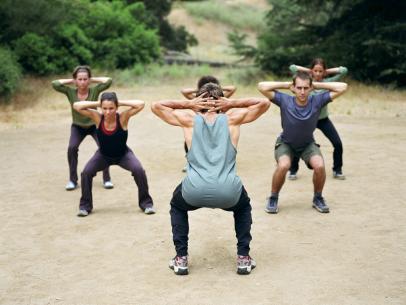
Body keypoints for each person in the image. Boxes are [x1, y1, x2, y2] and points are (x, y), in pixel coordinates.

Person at [152, 83, 270, 275]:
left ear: (198, 101)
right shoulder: (233, 118)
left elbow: (156, 106)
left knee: (177, 204)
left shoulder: (188, 119)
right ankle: (243, 258)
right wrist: (232, 103)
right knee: (243, 206)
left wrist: (188, 105)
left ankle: (181, 258)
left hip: (194, 190)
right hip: (228, 191)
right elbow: (264, 103)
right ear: (222, 101)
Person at [258, 71, 347, 214]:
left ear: (310, 88)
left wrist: (316, 85)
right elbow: (261, 86)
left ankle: (318, 198)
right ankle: (273, 197)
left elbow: (343, 87)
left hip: (307, 144)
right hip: (286, 143)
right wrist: (286, 85)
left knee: (319, 165)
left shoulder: (317, 100)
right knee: (284, 165)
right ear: (293, 88)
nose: (302, 91)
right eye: (299, 88)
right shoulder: (284, 100)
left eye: (306, 88)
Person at [73, 92, 155, 217]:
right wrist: (100, 103)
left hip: (123, 155)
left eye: (111, 108)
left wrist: (119, 102)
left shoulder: (122, 117)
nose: (107, 112)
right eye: (104, 108)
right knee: (86, 173)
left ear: (116, 108)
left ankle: (146, 204)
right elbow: (77, 106)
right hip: (103, 156)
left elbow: (140, 104)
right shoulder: (97, 117)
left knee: (139, 170)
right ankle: (85, 206)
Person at [52, 65, 114, 191]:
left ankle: (107, 179)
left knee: (105, 147)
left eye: (85, 79)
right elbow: (55, 84)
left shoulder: (94, 90)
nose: (82, 82)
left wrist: (92, 79)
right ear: (75, 80)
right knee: (72, 148)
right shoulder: (70, 92)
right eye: (79, 79)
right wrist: (72, 81)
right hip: (78, 127)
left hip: (95, 125)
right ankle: (72, 180)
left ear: (89, 80)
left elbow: (108, 81)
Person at [288, 59, 348, 180]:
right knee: (296, 143)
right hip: (307, 120)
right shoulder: (306, 83)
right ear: (312, 71)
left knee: (338, 143)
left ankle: (337, 170)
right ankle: (293, 170)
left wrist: (326, 72)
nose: (318, 73)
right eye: (315, 70)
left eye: (320, 71)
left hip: (323, 120)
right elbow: (293, 68)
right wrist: (309, 71)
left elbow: (343, 71)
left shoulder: (328, 82)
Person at [180, 76, 236, 172]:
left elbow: (233, 88)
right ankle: (190, 162)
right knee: (189, 142)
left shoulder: (220, 99)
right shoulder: (197, 99)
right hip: (200, 124)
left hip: (216, 124)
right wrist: (201, 90)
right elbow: (184, 91)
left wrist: (217, 88)